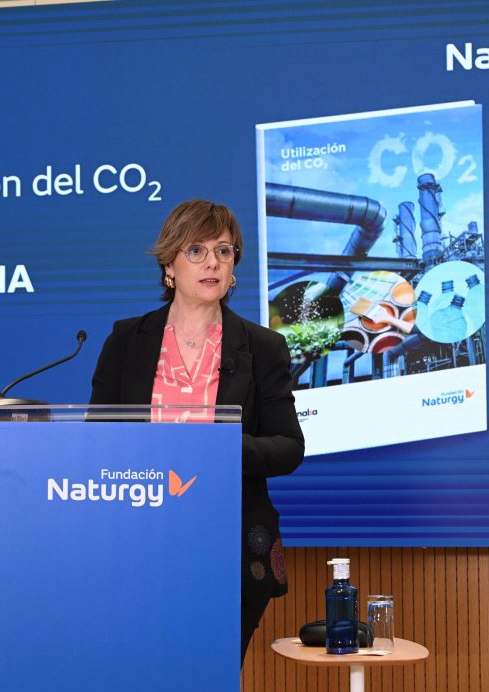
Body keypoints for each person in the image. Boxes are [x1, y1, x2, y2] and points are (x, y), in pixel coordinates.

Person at [89, 199, 304, 665]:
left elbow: (289, 447)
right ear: (169, 265)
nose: (212, 263)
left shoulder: (263, 347)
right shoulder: (126, 341)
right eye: (196, 251)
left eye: (224, 252)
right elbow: (96, 440)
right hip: (138, 542)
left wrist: (221, 449)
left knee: (207, 673)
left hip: (230, 545)